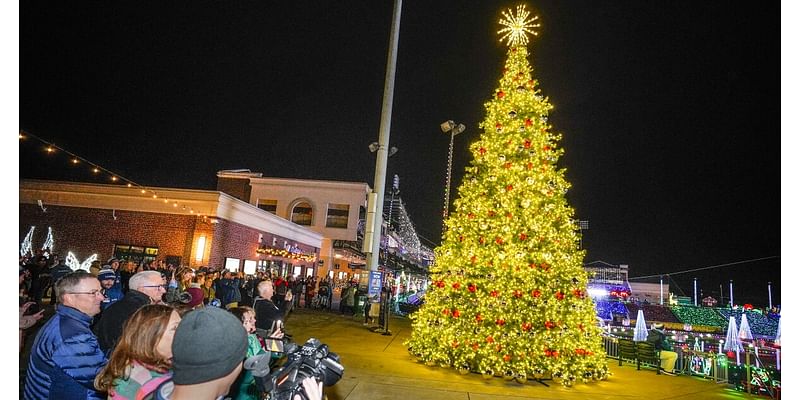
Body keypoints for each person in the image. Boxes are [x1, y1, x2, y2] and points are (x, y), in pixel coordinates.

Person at [24, 271, 108, 400]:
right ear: (69, 298)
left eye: (100, 291)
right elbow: (102, 380)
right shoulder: (73, 337)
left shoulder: (64, 321)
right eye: (93, 293)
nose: (102, 298)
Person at [94, 304, 181, 399]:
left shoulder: (149, 366)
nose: (184, 331)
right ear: (151, 335)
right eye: (175, 328)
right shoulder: (143, 382)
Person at [94, 270, 167, 354]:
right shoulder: (139, 311)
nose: (163, 290)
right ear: (142, 289)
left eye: (163, 286)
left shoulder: (122, 305)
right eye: (159, 287)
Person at [229, 306, 268, 400]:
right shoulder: (235, 347)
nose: (252, 322)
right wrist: (266, 351)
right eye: (247, 321)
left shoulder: (250, 339)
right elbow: (250, 372)